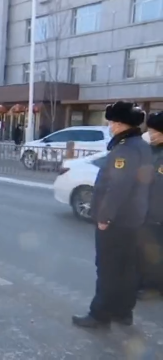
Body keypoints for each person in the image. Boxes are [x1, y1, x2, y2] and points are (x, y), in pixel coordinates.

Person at [72, 101, 151, 328]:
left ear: (118, 124)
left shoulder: (125, 149)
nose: (109, 126)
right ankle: (123, 312)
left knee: (108, 268)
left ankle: (100, 314)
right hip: (134, 218)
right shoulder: (141, 145)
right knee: (127, 267)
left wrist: (105, 217)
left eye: (110, 122)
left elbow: (117, 187)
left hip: (118, 221)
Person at [136, 112, 163, 300]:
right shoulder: (152, 152)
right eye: (150, 131)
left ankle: (152, 286)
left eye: (154, 132)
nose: (150, 135)